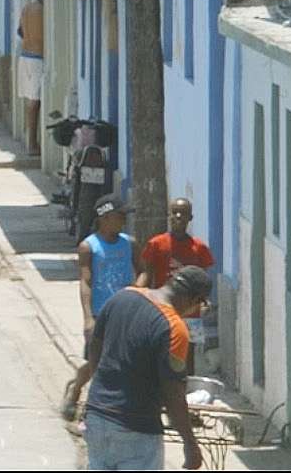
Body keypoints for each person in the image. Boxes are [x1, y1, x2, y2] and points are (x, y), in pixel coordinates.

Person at [62, 266, 213, 471]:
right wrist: (189, 442)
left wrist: (101, 385)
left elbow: (96, 343)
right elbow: (173, 393)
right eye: (200, 304)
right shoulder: (175, 328)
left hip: (97, 417)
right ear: (194, 299)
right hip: (136, 429)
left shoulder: (123, 296)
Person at [78, 194, 136, 325]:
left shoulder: (130, 243)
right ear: (105, 218)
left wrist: (136, 289)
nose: (124, 222)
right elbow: (85, 282)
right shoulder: (88, 247)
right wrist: (88, 318)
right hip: (100, 312)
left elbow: (143, 271)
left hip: (125, 311)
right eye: (120, 217)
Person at [139, 198, 215, 289]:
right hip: (162, 299)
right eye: (174, 212)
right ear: (169, 216)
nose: (178, 216)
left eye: (183, 213)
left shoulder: (200, 247)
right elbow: (147, 276)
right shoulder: (155, 244)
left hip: (188, 300)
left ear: (190, 217)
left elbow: (203, 281)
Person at [18, 0, 46, 145]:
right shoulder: (43, 11)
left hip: (25, 56)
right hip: (38, 58)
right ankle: (32, 142)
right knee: (35, 102)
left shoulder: (27, 8)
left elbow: (21, 32)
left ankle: (31, 139)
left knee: (30, 100)